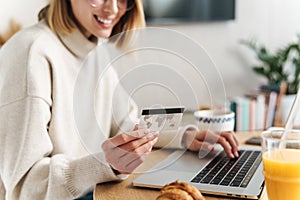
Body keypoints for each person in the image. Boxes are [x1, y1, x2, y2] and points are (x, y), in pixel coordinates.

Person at [0, 0, 239, 199]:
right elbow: (23, 187)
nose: (112, 9)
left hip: (95, 190)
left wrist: (185, 136)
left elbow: (128, 123)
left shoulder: (95, 50)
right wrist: (104, 164)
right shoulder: (31, 52)